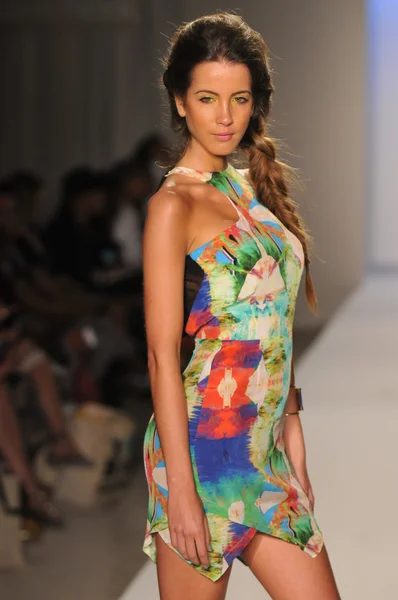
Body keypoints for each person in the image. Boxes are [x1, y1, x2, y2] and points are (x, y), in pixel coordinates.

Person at [142, 12, 340, 600]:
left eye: (239, 98)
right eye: (207, 98)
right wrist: (179, 486)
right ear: (181, 102)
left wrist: (294, 438)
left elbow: (273, 323)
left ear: (256, 103)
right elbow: (160, 354)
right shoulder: (171, 205)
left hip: (263, 451)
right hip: (200, 456)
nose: (224, 116)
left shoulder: (251, 193)